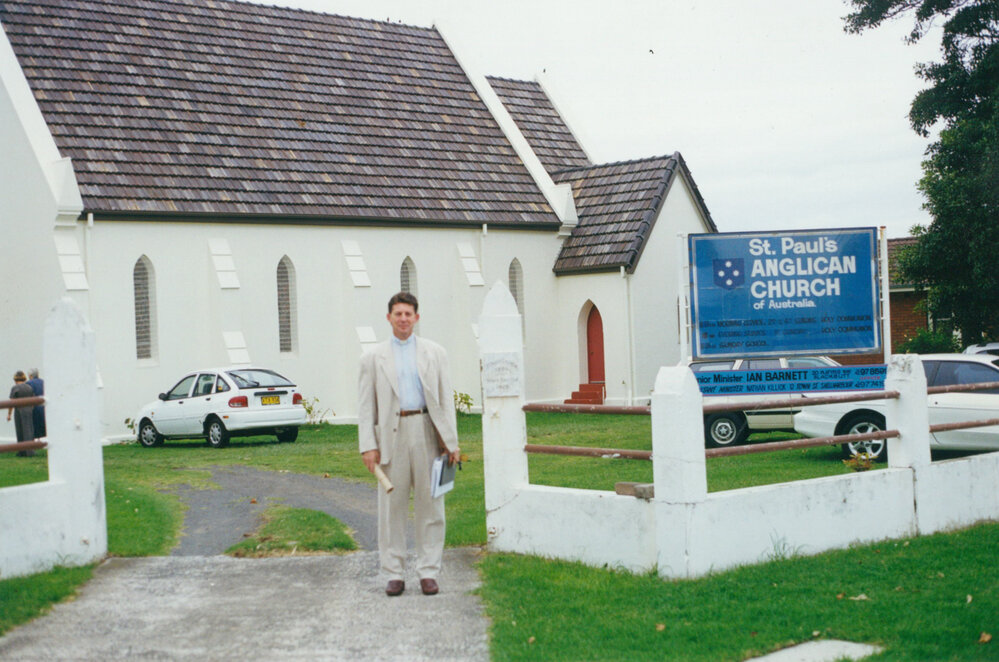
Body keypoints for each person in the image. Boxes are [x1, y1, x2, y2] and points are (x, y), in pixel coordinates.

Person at [358, 292, 460, 597]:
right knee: (392, 506)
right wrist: (368, 445)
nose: (403, 319)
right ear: (388, 317)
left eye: (408, 314)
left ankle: (429, 571)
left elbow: (446, 400)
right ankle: (394, 573)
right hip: (392, 433)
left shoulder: (435, 353)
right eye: (398, 313)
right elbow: (366, 406)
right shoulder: (372, 358)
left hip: (428, 429)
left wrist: (450, 442)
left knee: (432, 503)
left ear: (417, 317)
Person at [7, 370, 35, 456]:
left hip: (19, 410)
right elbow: (33, 400)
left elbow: (11, 402)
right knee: (29, 430)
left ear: (15, 379)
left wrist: (9, 414)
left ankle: (22, 451)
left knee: (20, 430)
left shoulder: (15, 388)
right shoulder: (29, 387)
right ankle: (30, 451)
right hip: (29, 410)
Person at [26, 368, 45, 440]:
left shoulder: (29, 383)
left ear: (30, 375)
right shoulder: (43, 382)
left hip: (35, 407)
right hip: (43, 406)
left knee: (34, 425)